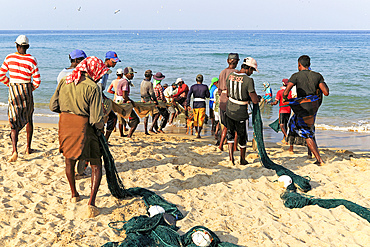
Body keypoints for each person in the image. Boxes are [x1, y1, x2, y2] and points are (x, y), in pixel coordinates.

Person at [49, 56, 109, 217]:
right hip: (85, 127)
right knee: (96, 163)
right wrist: (100, 130)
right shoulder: (93, 87)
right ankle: (91, 203)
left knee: (69, 160)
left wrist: (68, 113)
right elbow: (97, 120)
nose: (100, 76)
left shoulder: (64, 81)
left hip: (65, 124)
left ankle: (74, 194)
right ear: (93, 71)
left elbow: (53, 105)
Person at [0, 35, 41, 162]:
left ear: (16, 46)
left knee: (13, 120)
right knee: (28, 118)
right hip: (26, 91)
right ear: (27, 47)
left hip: (13, 91)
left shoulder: (9, 57)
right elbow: (37, 81)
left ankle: (14, 150)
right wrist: (29, 89)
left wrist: (11, 85)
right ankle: (28, 148)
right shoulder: (32, 60)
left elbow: (1, 75)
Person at [283, 55, 329, 166]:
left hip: (303, 108)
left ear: (299, 65)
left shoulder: (296, 76)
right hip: (313, 107)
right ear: (309, 64)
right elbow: (326, 92)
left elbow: (286, 91)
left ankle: (319, 160)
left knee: (307, 133)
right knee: (300, 125)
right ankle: (309, 152)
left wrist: (285, 99)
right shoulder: (317, 76)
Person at [225, 57, 260, 165]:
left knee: (230, 134)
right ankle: (242, 159)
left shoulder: (230, 76)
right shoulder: (249, 80)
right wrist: (257, 98)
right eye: (252, 70)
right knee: (242, 136)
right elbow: (254, 100)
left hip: (229, 109)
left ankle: (231, 159)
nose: (252, 73)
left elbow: (228, 94)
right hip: (240, 113)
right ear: (248, 68)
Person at [218, 53, 239, 151]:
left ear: (228, 61)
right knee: (235, 127)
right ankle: (234, 147)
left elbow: (219, 90)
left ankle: (221, 145)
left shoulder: (222, 72)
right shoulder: (237, 73)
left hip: (222, 100)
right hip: (232, 101)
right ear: (237, 62)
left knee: (225, 126)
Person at [100, 51, 121, 141]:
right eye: (113, 61)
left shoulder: (106, 70)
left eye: (116, 62)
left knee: (109, 118)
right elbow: (98, 86)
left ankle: (104, 140)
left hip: (100, 95)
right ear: (107, 60)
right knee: (112, 118)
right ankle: (104, 141)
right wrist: (101, 101)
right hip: (98, 97)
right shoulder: (103, 71)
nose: (115, 63)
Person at [116, 67, 140, 138]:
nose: (133, 75)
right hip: (123, 103)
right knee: (136, 120)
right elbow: (124, 96)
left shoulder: (121, 80)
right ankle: (129, 135)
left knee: (121, 119)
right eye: (131, 74)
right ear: (126, 74)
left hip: (118, 102)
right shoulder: (125, 82)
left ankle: (121, 134)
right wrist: (132, 102)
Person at [186, 74, 210, 138]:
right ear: (202, 80)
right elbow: (208, 96)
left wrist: (188, 104)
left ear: (196, 80)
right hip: (202, 103)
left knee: (195, 118)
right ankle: (199, 133)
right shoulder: (205, 87)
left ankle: (196, 131)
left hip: (195, 103)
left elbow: (188, 96)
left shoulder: (193, 87)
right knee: (201, 118)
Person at [270, 79, 292, 143]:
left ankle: (286, 136)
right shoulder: (290, 92)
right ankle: (284, 139)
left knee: (281, 125)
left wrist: (271, 103)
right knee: (285, 124)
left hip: (282, 110)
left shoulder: (279, 92)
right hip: (288, 110)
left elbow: (276, 102)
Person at [140, 70, 158, 135]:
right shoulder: (149, 83)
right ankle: (151, 128)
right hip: (148, 100)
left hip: (142, 99)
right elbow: (152, 93)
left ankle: (145, 130)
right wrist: (155, 100)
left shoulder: (142, 82)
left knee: (146, 116)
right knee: (157, 113)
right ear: (150, 76)